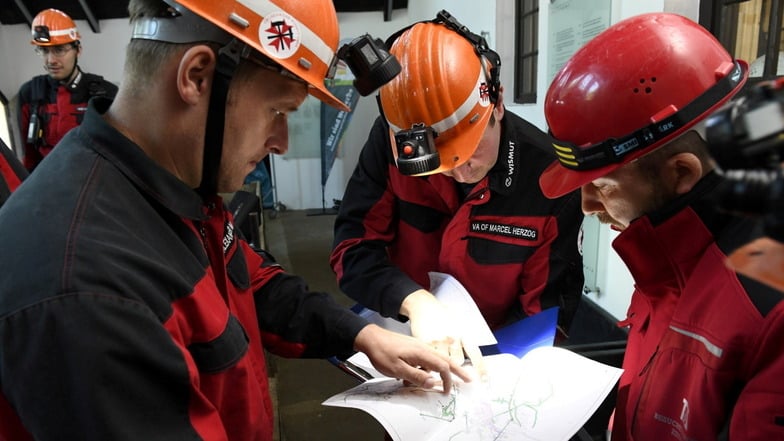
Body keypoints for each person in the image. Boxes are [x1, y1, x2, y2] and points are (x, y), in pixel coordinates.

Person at [0, 1, 472, 440]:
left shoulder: (176, 189)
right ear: (198, 76)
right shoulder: (88, 291)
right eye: (278, 111)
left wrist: (364, 335)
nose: (282, 142)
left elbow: (256, 284)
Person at [538, 12, 784, 440]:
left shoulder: (769, 310)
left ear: (681, 173)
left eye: (602, 185)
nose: (588, 205)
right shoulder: (674, 238)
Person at [330, 11, 585, 367]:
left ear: (496, 102)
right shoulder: (390, 145)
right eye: (440, 165)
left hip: (499, 363)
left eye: (468, 150)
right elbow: (352, 250)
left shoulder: (549, 177)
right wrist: (414, 301)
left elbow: (544, 312)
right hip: (409, 348)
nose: (460, 172)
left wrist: (490, 370)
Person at [17, 8, 118, 172]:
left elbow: (118, 153)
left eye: (59, 50)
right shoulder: (30, 94)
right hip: (48, 182)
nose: (51, 60)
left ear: (78, 50)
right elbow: (29, 157)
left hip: (93, 182)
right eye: (44, 50)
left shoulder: (106, 93)